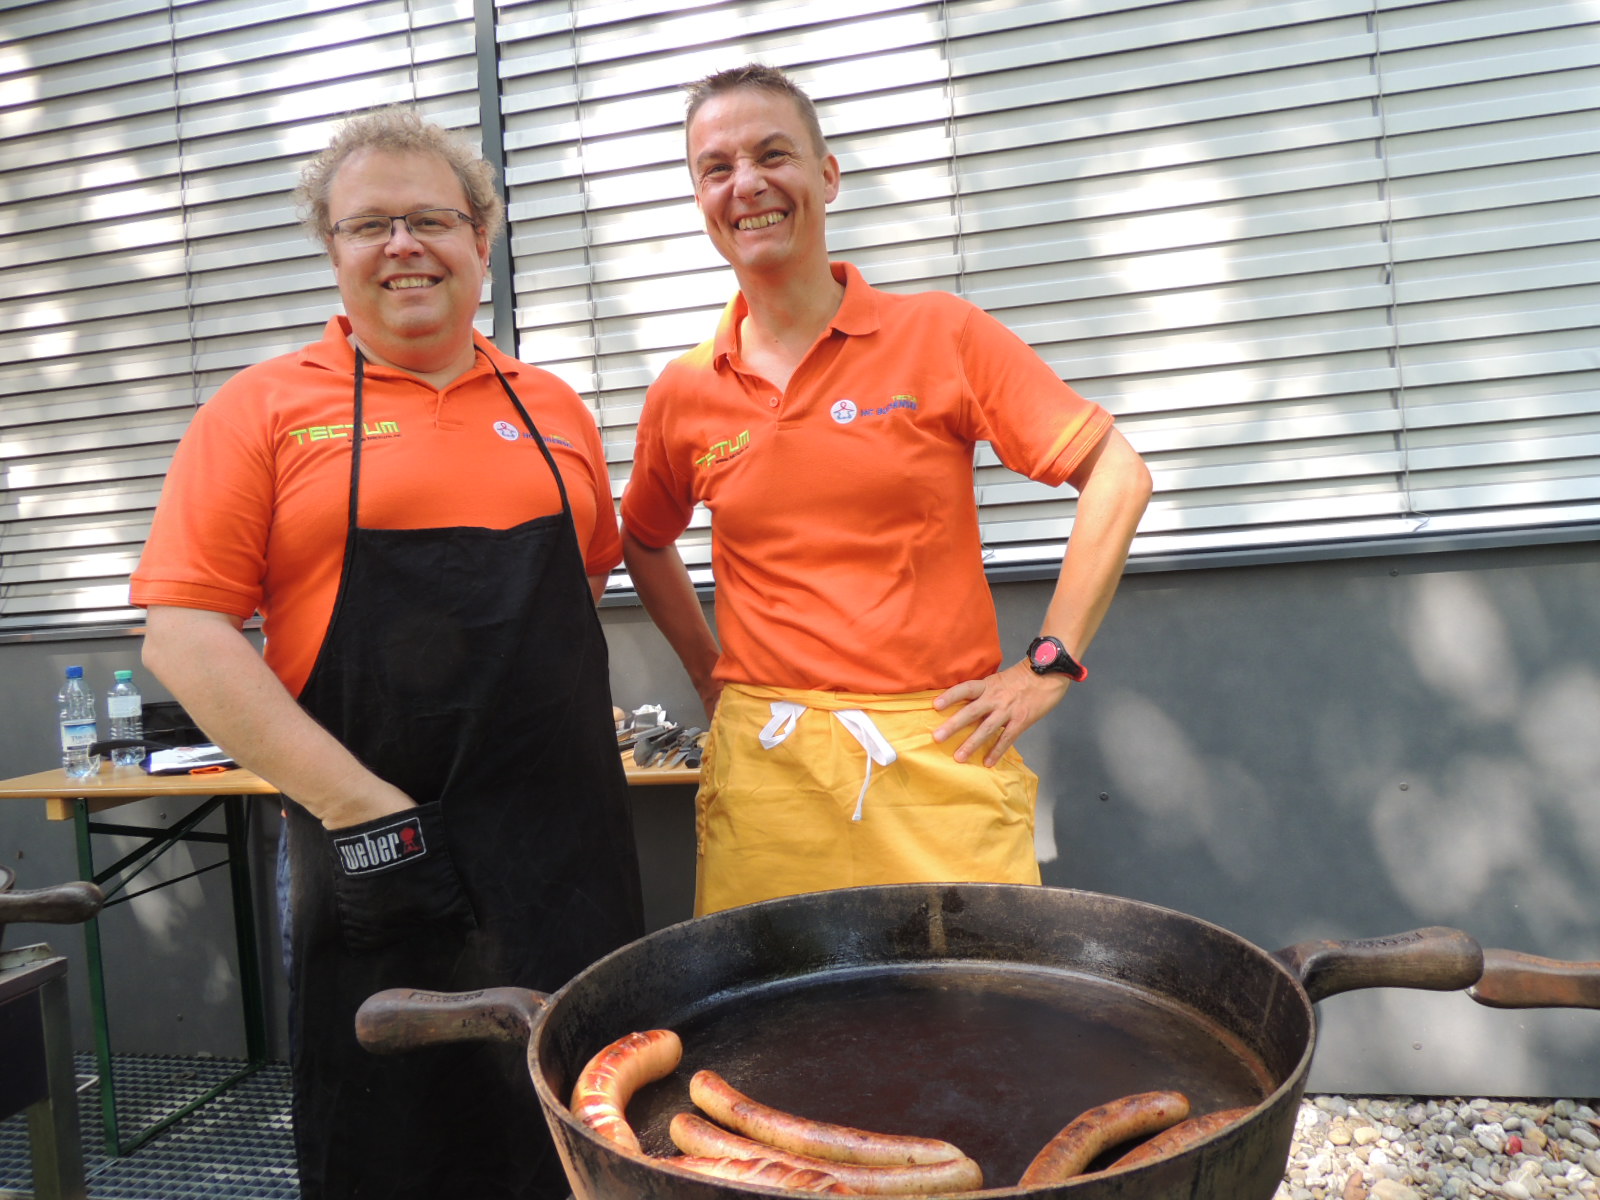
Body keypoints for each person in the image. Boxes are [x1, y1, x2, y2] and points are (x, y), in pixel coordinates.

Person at [129, 107, 644, 1200]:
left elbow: (581, 585)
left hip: (564, 853)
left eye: (430, 220)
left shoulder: (554, 408)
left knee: (576, 1130)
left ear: (480, 239)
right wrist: (364, 811)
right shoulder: (261, 409)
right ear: (333, 250)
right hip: (370, 848)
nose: (403, 246)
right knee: (393, 1142)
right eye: (370, 225)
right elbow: (183, 633)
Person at [621, 64, 1153, 917]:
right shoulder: (685, 392)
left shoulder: (940, 334)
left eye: (772, 155)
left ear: (827, 175)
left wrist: (1048, 665)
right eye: (716, 168)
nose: (746, 184)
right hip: (769, 775)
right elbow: (644, 537)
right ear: (700, 199)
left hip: (940, 755)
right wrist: (708, 677)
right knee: (779, 999)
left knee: (972, 995)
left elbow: (1117, 474)